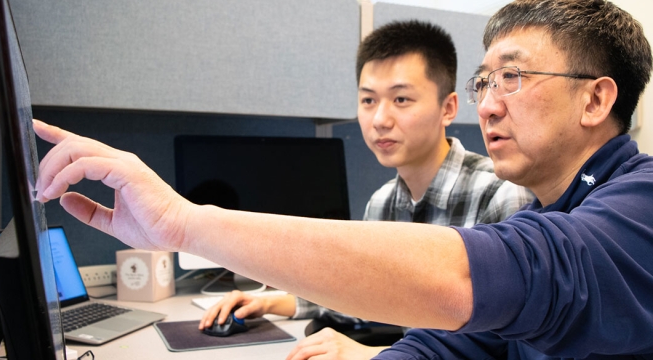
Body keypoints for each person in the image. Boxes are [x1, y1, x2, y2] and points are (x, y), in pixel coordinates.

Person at [33, 0, 653, 357]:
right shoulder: (551, 213)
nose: (489, 102)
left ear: (595, 99)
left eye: (515, 77)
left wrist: (185, 224)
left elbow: (477, 283)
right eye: (485, 78)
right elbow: (467, 339)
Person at [196, 20, 534, 360]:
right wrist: (270, 301)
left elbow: (507, 345)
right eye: (368, 100)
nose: (380, 119)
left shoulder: (501, 194)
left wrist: (368, 355)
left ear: (448, 108)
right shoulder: (384, 203)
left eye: (401, 99)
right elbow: (367, 297)